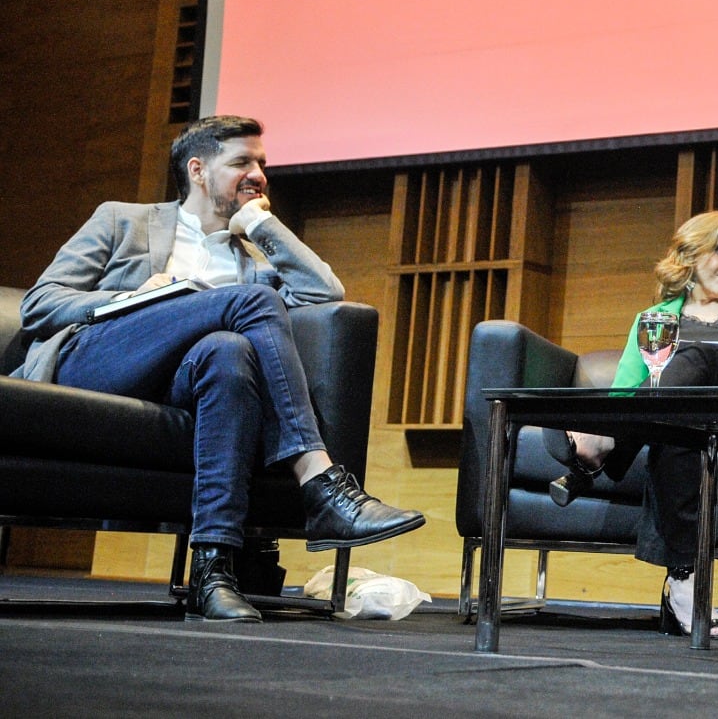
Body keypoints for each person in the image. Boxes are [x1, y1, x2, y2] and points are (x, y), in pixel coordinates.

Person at [16, 115, 425, 623]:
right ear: (198, 170)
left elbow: (325, 292)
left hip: (184, 381)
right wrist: (129, 298)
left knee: (229, 353)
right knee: (249, 305)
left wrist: (259, 223)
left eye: (262, 164)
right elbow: (40, 303)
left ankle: (213, 570)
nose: (258, 173)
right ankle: (322, 485)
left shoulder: (252, 260)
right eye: (241, 162)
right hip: (101, 360)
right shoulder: (123, 219)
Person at [543, 211, 718, 640]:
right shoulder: (653, 316)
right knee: (676, 431)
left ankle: (602, 452)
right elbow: (626, 396)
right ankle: (684, 585)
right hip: (680, 432)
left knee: (698, 359)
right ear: (691, 254)